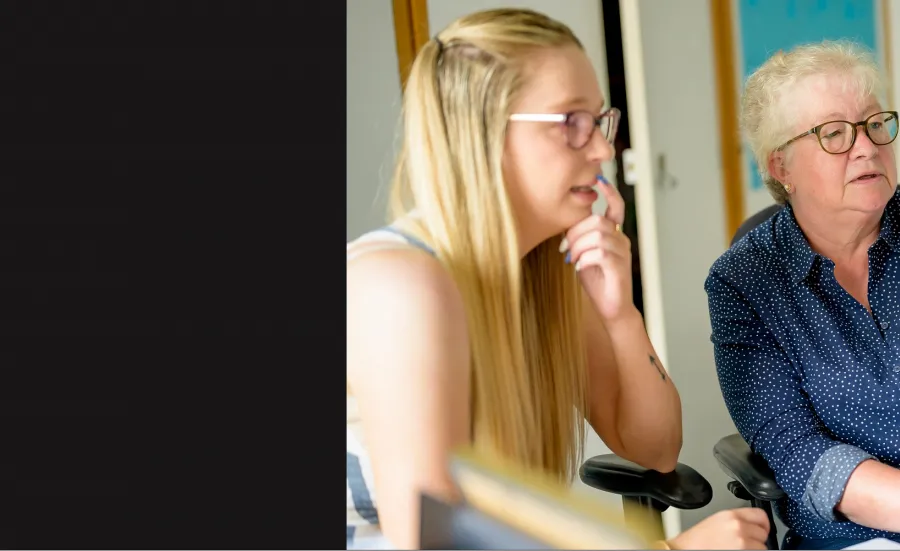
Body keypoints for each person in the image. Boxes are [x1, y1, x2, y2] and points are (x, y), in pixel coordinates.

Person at [348, 8, 769, 550]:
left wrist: (621, 316)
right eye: (571, 122)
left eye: (599, 121)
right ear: (482, 134)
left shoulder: (544, 277)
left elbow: (657, 450)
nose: (602, 149)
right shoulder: (401, 288)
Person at [706, 40, 900, 550]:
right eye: (835, 133)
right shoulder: (741, 284)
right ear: (781, 168)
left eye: (876, 123)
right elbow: (799, 452)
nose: (867, 147)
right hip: (859, 539)